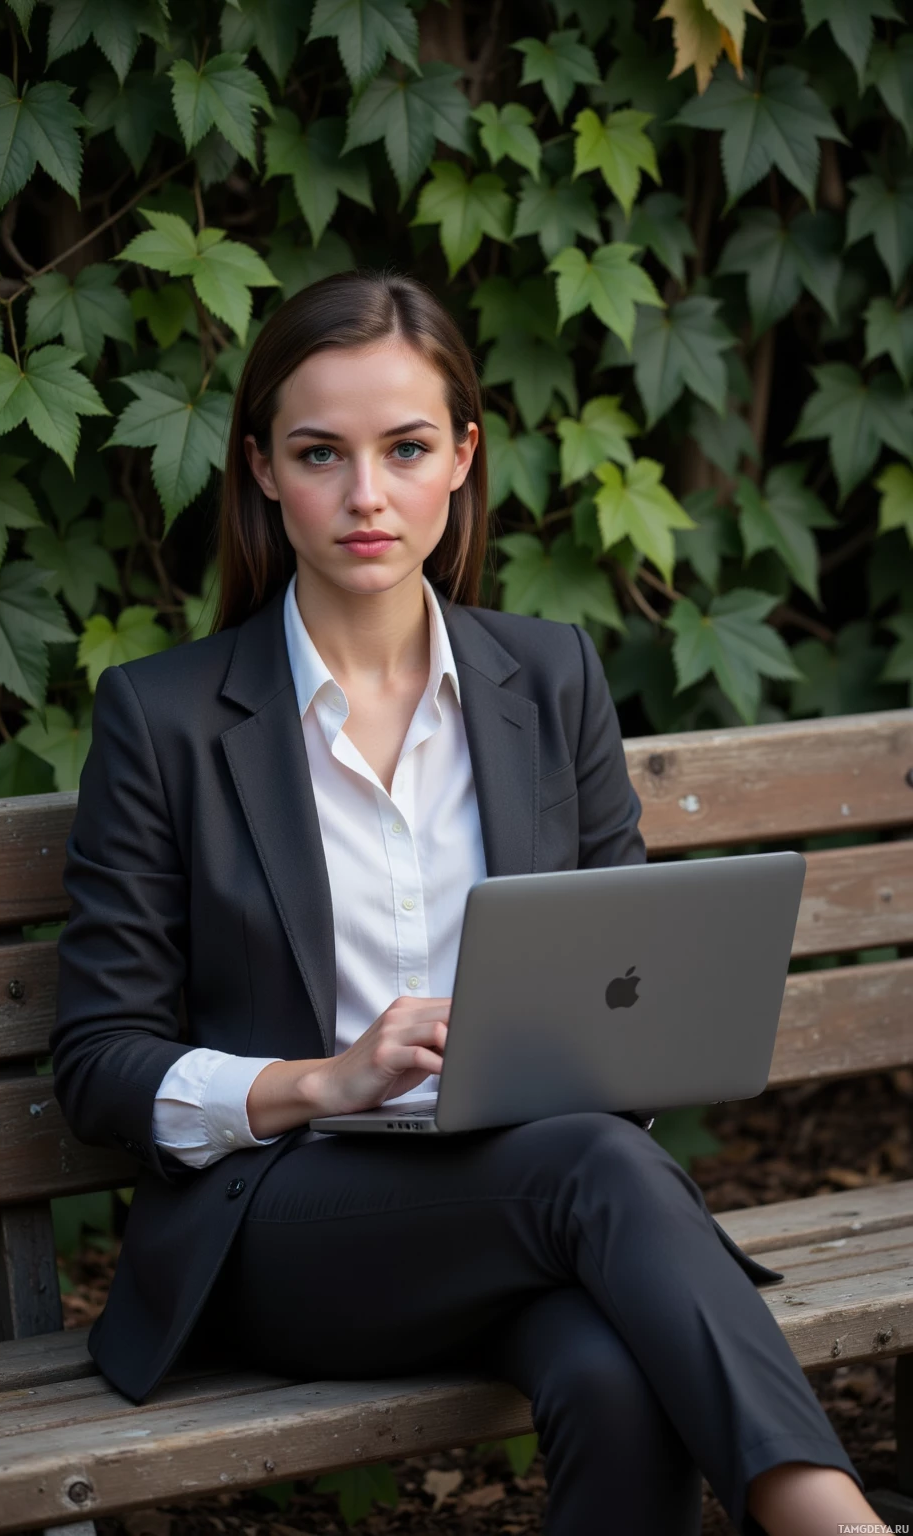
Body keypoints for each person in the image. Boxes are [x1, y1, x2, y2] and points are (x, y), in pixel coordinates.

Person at [52, 267, 889, 1536]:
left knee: (619, 1381)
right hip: (287, 1228)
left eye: (405, 449)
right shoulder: (165, 719)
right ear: (264, 471)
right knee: (596, 1168)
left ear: (463, 459)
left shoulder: (547, 679)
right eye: (320, 453)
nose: (366, 495)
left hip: (528, 1200)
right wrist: (318, 1081)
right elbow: (100, 1062)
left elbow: (636, 982)